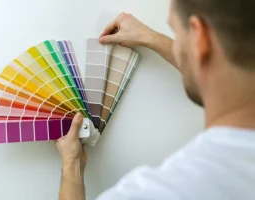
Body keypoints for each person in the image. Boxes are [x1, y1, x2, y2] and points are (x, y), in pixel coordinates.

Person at [56, 0, 255, 199]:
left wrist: (71, 165)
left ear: (199, 39)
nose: (176, 45)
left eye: (176, 33)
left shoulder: (161, 191)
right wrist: (151, 38)